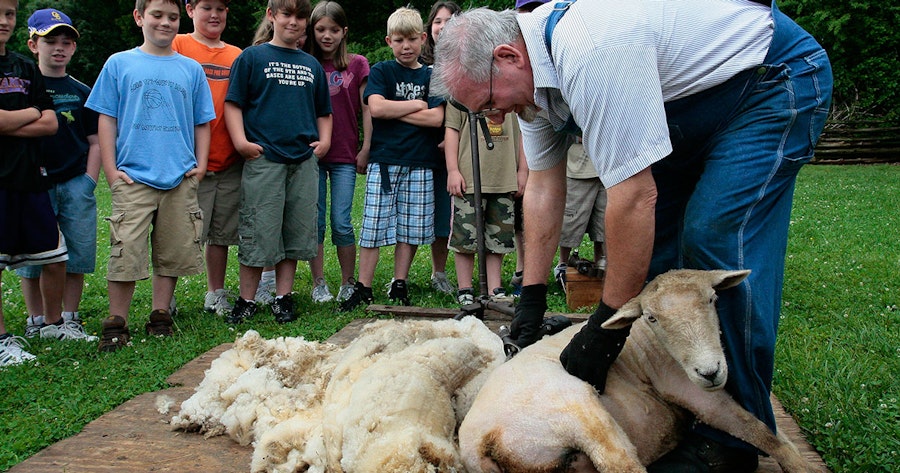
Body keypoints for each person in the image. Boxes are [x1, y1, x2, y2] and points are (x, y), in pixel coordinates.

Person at [431, 1, 832, 470]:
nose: (495, 117)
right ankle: (680, 404)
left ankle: (732, 443)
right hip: (693, 105)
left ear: (507, 57)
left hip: (768, 81)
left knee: (714, 239)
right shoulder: (530, 84)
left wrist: (604, 327)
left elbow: (633, 196)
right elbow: (542, 185)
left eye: (490, 103)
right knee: (657, 253)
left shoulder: (591, 50)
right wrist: (532, 297)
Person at [86, 0, 215, 352]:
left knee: (172, 250)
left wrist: (200, 166)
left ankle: (161, 314)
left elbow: (203, 120)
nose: (166, 23)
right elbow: (106, 118)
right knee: (125, 249)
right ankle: (117, 322)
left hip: (179, 176)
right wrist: (111, 171)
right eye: (157, 15)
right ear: (139, 17)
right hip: (133, 176)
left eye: (172, 17)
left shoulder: (190, 69)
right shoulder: (119, 63)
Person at [224, 0, 332, 324]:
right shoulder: (252, 58)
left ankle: (283, 297)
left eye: (301, 16)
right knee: (259, 231)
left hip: (302, 160)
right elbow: (233, 104)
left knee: (295, 233)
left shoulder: (311, 65)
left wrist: (324, 140)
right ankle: (246, 299)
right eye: (287, 14)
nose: (294, 22)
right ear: (272, 16)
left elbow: (323, 112)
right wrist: (241, 142)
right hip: (265, 159)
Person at [338, 6, 445, 311]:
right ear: (389, 41)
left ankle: (400, 282)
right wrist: (414, 104)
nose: (406, 46)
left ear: (423, 38)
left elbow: (437, 117)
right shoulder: (382, 70)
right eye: (399, 40)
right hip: (384, 161)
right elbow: (378, 109)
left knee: (410, 228)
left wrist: (396, 111)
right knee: (373, 225)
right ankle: (364, 286)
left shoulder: (431, 75)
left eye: (411, 39)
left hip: (420, 162)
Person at [14, 8, 99, 343]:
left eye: (66, 42)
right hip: (34, 183)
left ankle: (70, 317)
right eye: (51, 41)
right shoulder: (22, 88)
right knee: (34, 254)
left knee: (76, 252)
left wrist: (89, 181)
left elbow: (94, 140)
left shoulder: (81, 90)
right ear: (34, 44)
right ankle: (36, 318)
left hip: (75, 181)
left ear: (74, 48)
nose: (59, 48)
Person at [0, 0, 68, 365]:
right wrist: (29, 114)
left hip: (30, 177)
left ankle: (52, 323)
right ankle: (1, 341)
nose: (3, 21)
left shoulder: (25, 68)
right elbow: (36, 117)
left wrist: (13, 117)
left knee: (54, 256)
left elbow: (51, 122)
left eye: (9, 14)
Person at [173, 0, 242, 317]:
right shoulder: (179, 44)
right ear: (189, 10)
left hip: (228, 161)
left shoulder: (236, 56)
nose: (214, 15)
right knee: (180, 232)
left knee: (221, 234)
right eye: (206, 7)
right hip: (186, 162)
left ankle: (215, 292)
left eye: (221, 8)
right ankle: (166, 298)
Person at [305, 0, 371, 304]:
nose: (326, 36)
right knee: (314, 220)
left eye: (333, 29)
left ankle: (348, 281)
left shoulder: (356, 64)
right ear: (312, 30)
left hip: (345, 153)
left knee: (341, 220)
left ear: (344, 31)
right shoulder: (306, 63)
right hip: (313, 153)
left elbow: (366, 108)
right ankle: (319, 282)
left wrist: (366, 146)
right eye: (320, 29)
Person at [445, 108, 525, 305]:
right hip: (469, 181)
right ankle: (465, 288)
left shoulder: (511, 92)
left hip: (504, 178)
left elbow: (525, 131)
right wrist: (453, 170)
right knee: (465, 237)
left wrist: (523, 169)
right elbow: (451, 131)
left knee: (498, 238)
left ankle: (494, 288)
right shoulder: (460, 95)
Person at [421, 1, 460, 296]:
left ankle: (449, 272)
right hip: (425, 149)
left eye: (449, 20)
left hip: (457, 150)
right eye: (437, 21)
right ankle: (435, 271)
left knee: (452, 213)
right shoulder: (421, 68)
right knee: (433, 214)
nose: (442, 26)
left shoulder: (465, 63)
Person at [553, 140, 607, 291]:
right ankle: (562, 265)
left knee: (604, 223)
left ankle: (601, 265)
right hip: (579, 165)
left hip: (607, 164)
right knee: (571, 221)